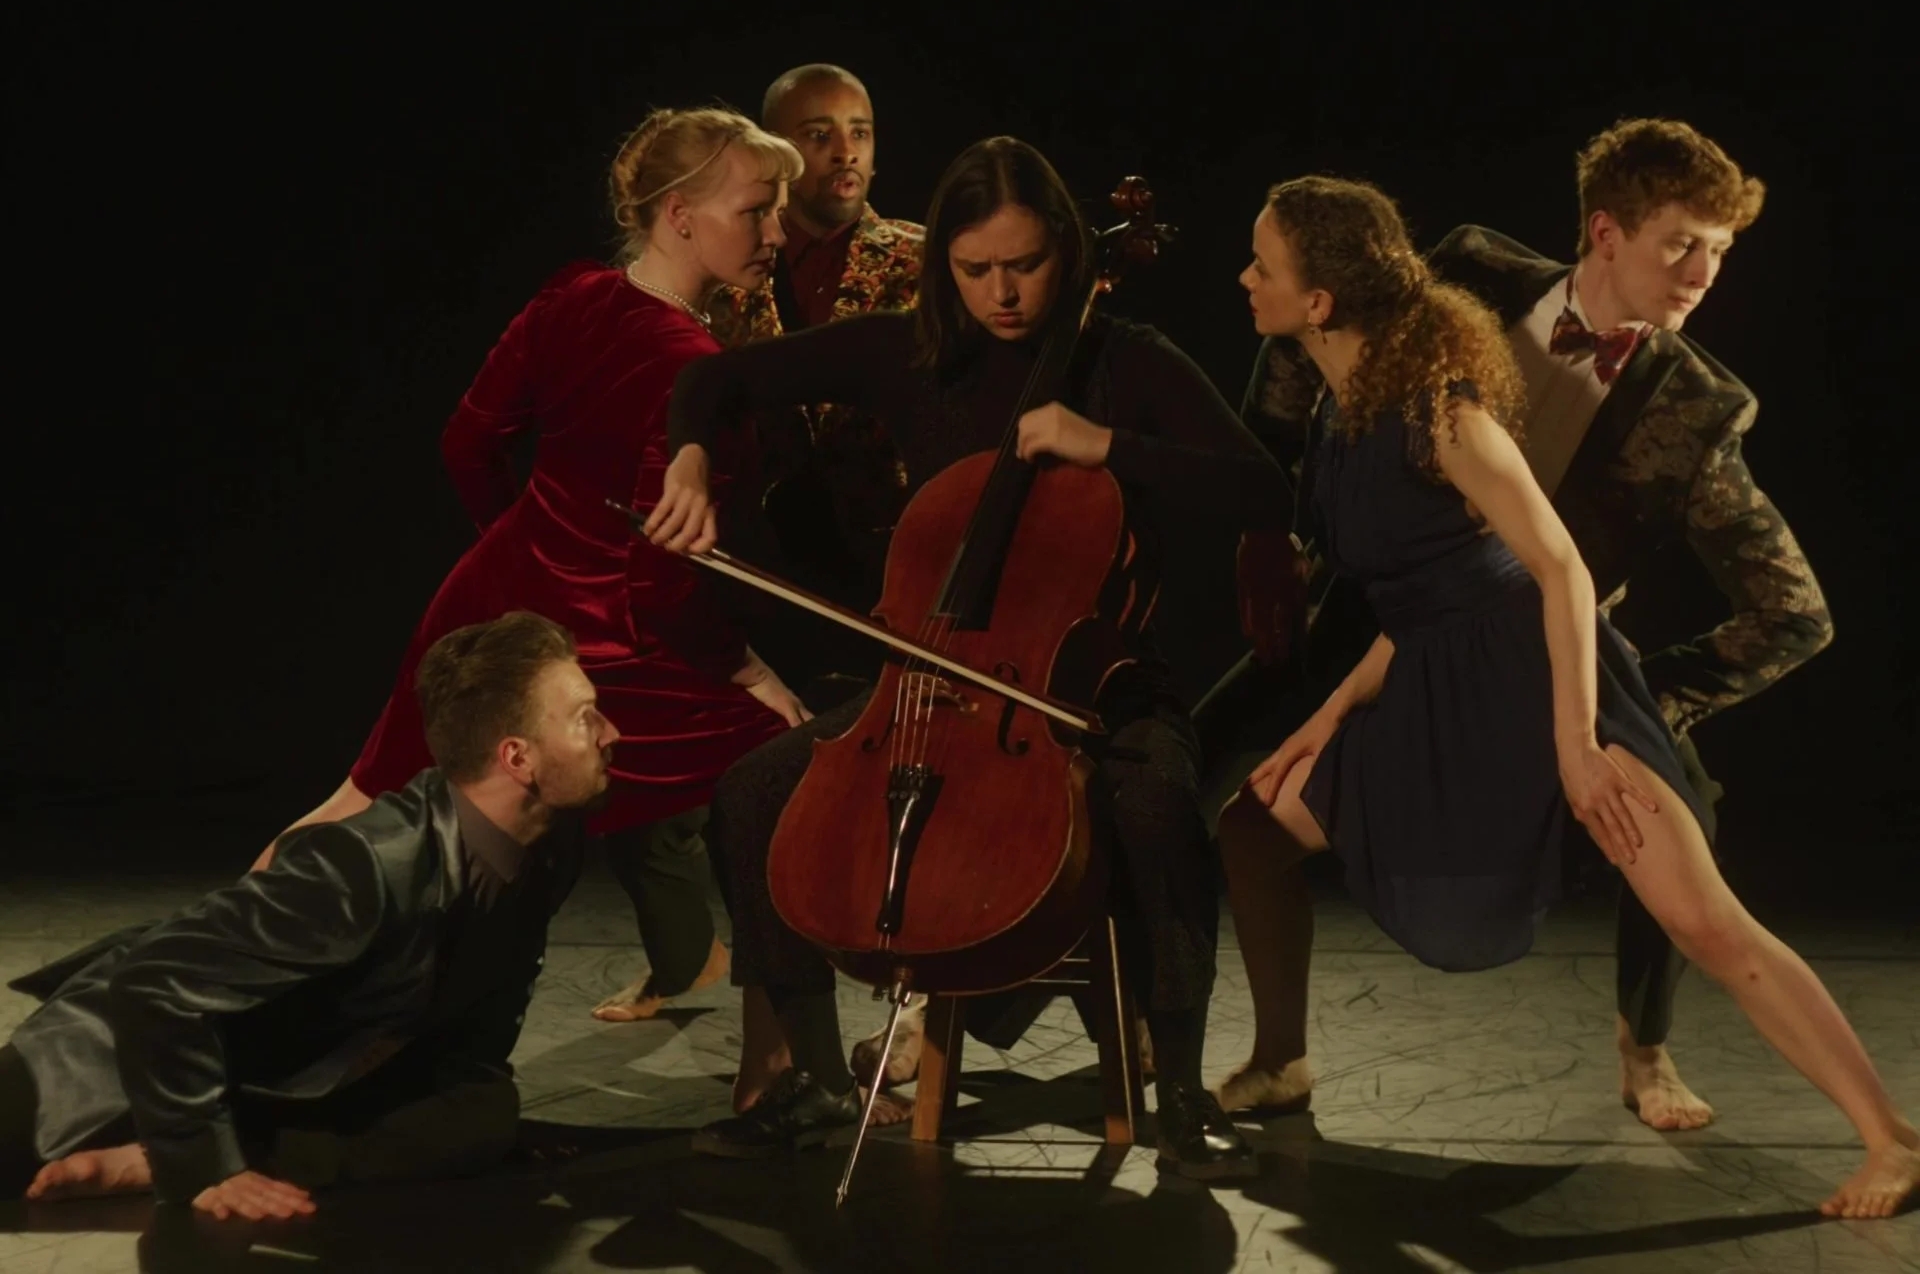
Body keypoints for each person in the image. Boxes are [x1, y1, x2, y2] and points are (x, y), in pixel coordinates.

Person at [1215, 174, 1913, 1220]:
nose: (1244, 279)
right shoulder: (1339, 412)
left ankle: (1891, 1140)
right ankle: (1280, 1064)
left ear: (1317, 301)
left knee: (1708, 922)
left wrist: (1581, 744)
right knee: (1254, 832)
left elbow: (1561, 572)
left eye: (1262, 265)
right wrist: (1326, 717)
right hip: (1434, 682)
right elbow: (1423, 599)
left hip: (1547, 681)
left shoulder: (1440, 413)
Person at [644, 136, 1290, 1180]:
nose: (1001, 293)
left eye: (1024, 265)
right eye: (975, 269)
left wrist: (1108, 446)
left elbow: (1265, 490)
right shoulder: (911, 352)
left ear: (1069, 254)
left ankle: (1178, 1098)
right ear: (943, 261)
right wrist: (688, 455)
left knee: (1159, 806)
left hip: (1096, 684)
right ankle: (807, 1071)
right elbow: (715, 384)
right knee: (754, 791)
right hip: (931, 679)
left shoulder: (1128, 361)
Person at [259, 108, 814, 1028]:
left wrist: (518, 550)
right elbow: (664, 580)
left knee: (357, 800)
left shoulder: (575, 297)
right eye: (757, 209)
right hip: (616, 642)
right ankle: (822, 1042)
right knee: (790, 764)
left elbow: (467, 442)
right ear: (678, 215)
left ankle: (187, 987)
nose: (778, 232)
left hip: (491, 602)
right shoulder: (691, 365)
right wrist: (747, 669)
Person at [2, 612, 606, 1220]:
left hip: (272, 1078)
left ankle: (160, 1158)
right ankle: (167, 1151)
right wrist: (199, 1160)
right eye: (587, 718)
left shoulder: (552, 843)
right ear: (517, 757)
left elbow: (489, 992)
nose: (612, 734)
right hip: (115, 1065)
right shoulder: (366, 866)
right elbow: (152, 983)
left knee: (480, 1118)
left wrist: (476, 1106)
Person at [708, 62, 926, 692]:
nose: (844, 151)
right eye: (818, 134)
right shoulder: (732, 272)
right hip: (764, 584)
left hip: (895, 579)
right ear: (775, 154)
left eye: (860, 133)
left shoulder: (928, 260)